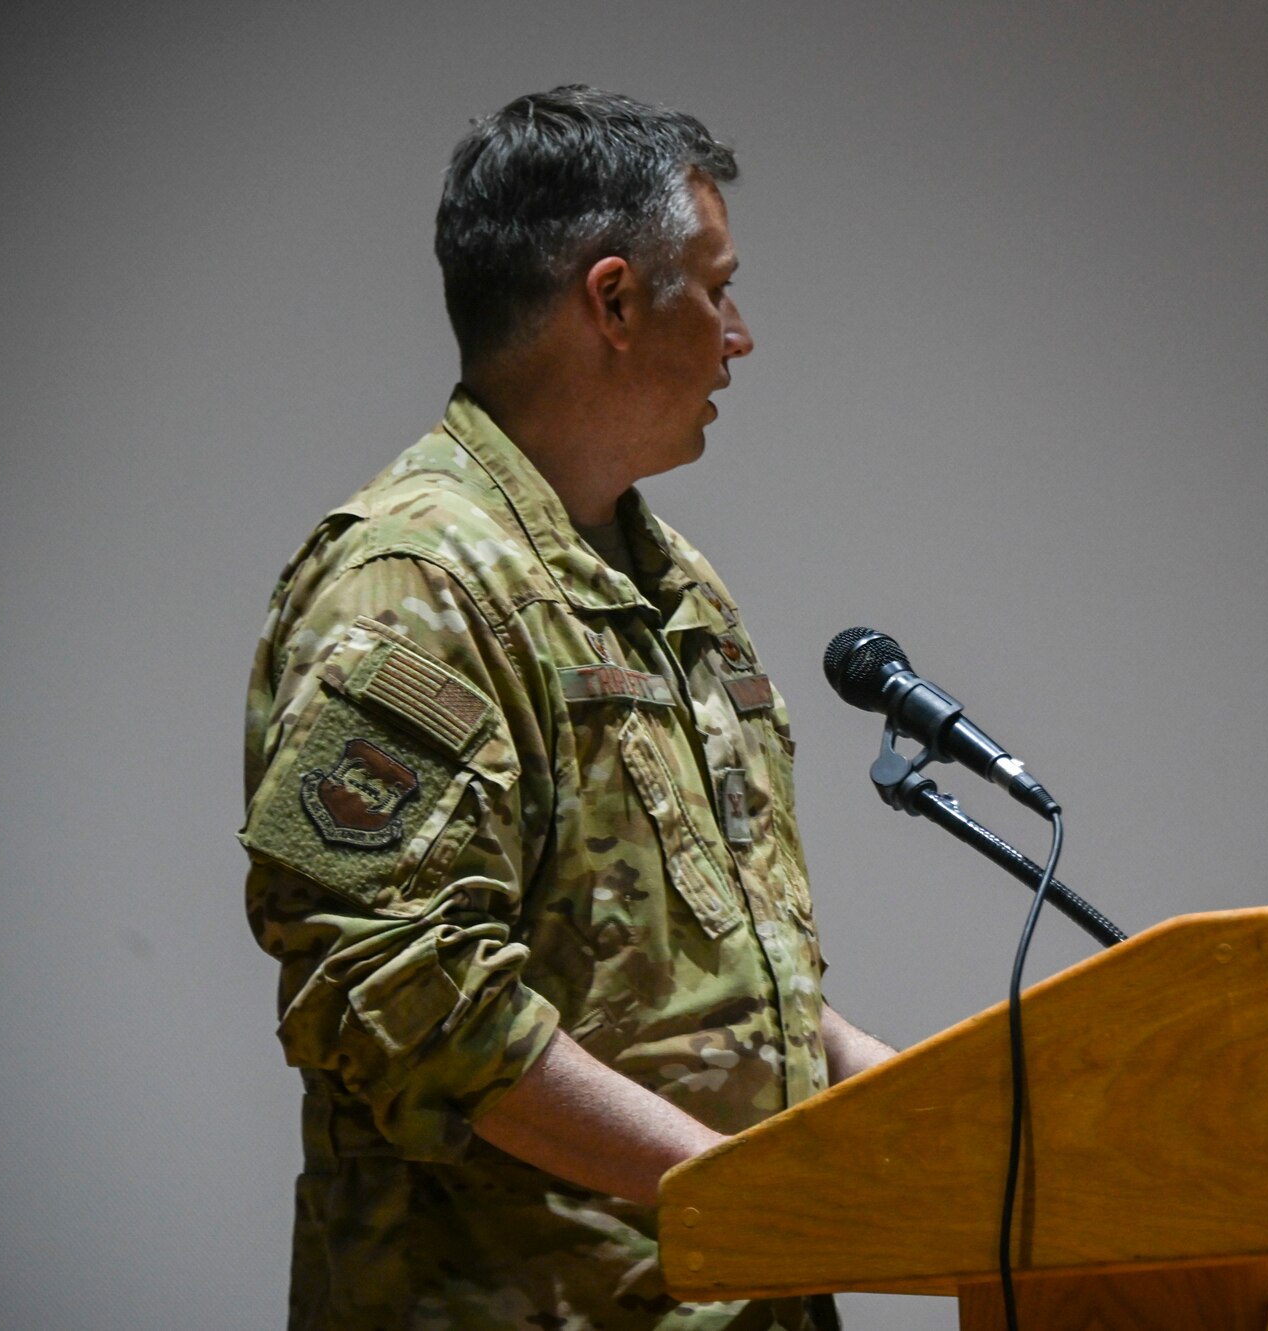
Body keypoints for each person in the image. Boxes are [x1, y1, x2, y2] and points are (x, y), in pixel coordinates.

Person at [239, 86, 894, 1331]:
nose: (738, 334)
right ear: (611, 300)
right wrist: (743, 1196)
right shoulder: (415, 584)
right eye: (714, 286)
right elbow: (402, 996)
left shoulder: (671, 580)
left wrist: (954, 1129)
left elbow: (729, 979)